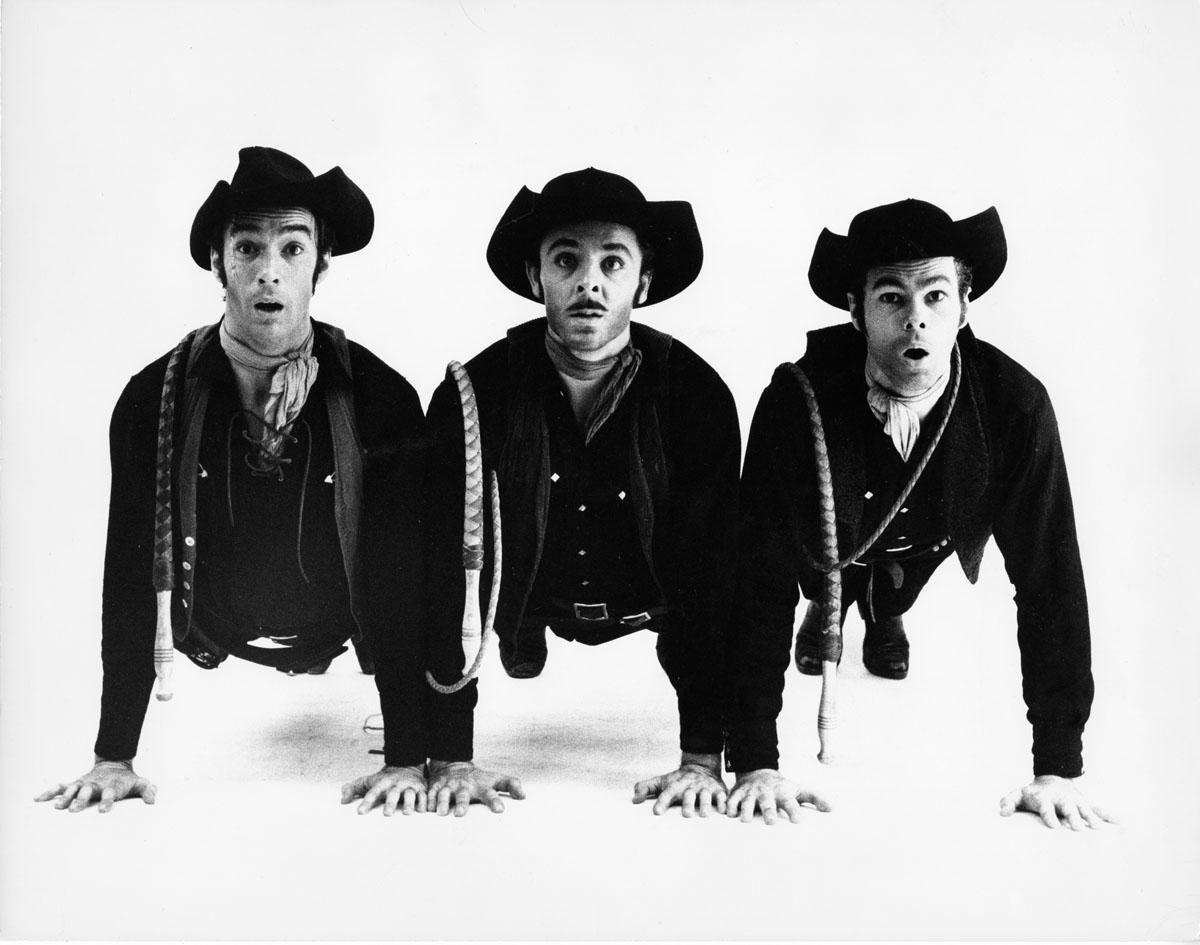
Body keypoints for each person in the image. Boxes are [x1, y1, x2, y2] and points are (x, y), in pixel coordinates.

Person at [36, 147, 512, 816]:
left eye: (292, 249)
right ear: (217, 262)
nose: (268, 272)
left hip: (338, 622)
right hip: (215, 624)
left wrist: (417, 755)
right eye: (248, 248)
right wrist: (113, 755)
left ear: (320, 265)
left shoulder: (380, 397)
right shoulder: (155, 398)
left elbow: (414, 580)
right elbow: (130, 574)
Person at [418, 168, 828, 822]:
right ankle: (524, 632)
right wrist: (448, 754)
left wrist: (711, 758)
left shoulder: (694, 393)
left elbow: (719, 578)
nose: (589, 281)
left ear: (641, 281)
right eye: (566, 260)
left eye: (612, 261)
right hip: (525, 588)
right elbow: (437, 568)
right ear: (535, 279)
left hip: (652, 595)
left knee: (727, 562)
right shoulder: (475, 392)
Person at [728, 198, 1113, 829]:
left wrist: (1057, 766)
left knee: (891, 598)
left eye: (935, 297)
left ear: (964, 307)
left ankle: (881, 617)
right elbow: (759, 581)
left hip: (928, 543)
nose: (916, 321)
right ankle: (833, 608)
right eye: (891, 298)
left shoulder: (1014, 405)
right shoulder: (796, 402)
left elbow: (1050, 582)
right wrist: (754, 761)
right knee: (828, 583)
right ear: (855, 311)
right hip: (826, 547)